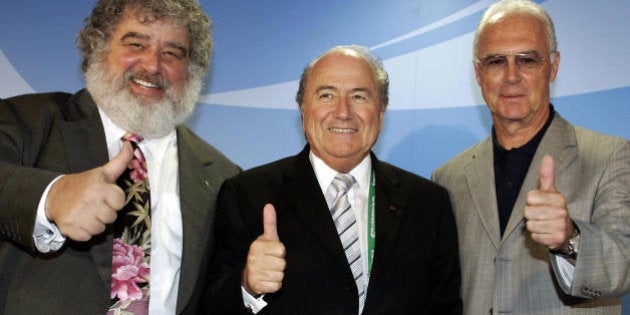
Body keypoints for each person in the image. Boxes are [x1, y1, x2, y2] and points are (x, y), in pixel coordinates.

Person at [0, 0, 240, 314]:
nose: (153, 65)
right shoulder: (28, 120)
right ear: (98, 47)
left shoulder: (224, 176)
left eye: (172, 52)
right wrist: (49, 197)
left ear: (192, 69)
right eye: (136, 43)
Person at [204, 45, 462, 314]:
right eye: (326, 95)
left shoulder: (429, 203)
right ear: (303, 109)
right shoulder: (246, 195)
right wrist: (247, 286)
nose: (343, 111)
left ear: (382, 110)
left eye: (359, 96)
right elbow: (210, 307)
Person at [431, 0, 630, 314]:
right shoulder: (448, 177)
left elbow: (625, 262)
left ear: (553, 66)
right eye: (496, 61)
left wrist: (570, 238)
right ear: (478, 73)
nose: (512, 75)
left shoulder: (609, 156)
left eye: (527, 60)